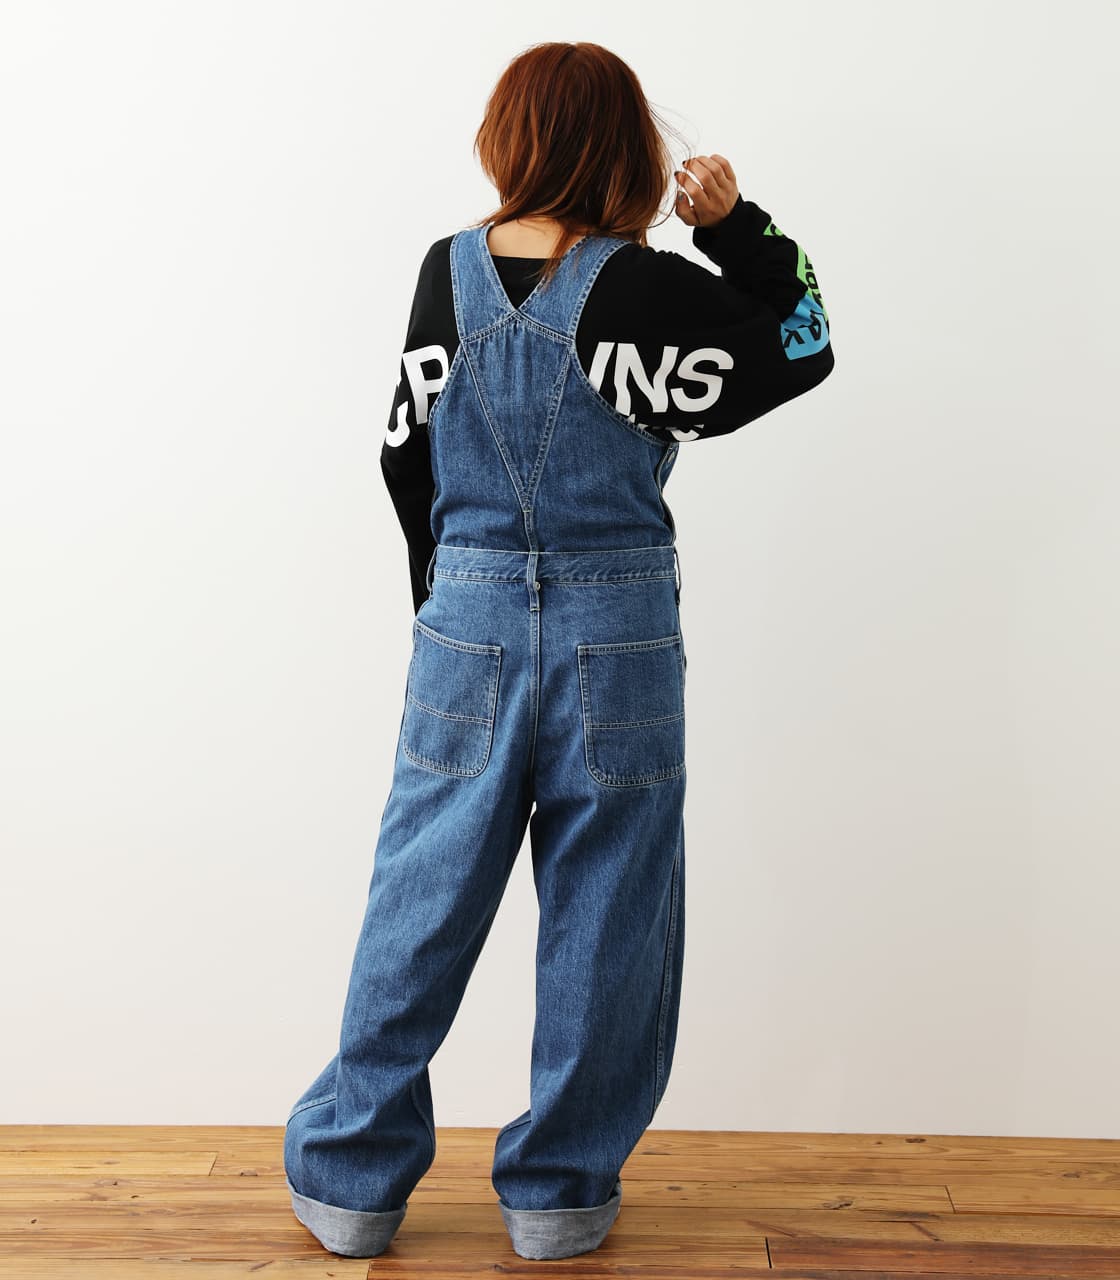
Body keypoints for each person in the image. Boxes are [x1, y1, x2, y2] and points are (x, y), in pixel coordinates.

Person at [284, 40, 835, 1263]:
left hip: (465, 623)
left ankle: (351, 1180)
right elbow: (801, 337)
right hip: (617, 632)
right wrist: (735, 227)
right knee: (608, 909)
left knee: (418, 900)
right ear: (627, 150)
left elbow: (404, 457)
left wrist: (450, 609)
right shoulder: (648, 290)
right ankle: (557, 1194)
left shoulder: (445, 273)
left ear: (508, 139)